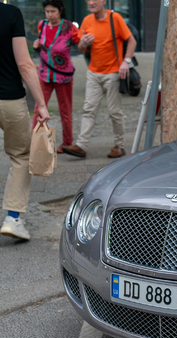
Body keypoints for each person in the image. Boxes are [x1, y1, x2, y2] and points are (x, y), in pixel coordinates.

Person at [1, 2, 51, 240]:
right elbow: (24, 64)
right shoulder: (11, 13)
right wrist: (41, 104)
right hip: (9, 99)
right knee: (21, 156)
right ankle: (12, 219)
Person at [63, 0, 136, 159]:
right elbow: (82, 49)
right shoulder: (87, 20)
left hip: (113, 73)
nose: (91, 2)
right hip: (93, 73)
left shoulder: (114, 18)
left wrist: (126, 61)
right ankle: (81, 146)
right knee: (88, 109)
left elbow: (132, 40)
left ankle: (119, 145)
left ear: (104, 1)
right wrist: (83, 43)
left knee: (115, 112)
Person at [32, 0, 80, 154]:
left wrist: (85, 41)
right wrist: (36, 45)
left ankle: (67, 142)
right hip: (44, 73)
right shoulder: (42, 25)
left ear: (60, 11)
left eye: (53, 11)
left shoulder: (69, 27)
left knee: (65, 110)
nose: (50, 15)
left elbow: (81, 44)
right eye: (47, 11)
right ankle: (34, 141)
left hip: (63, 76)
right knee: (38, 108)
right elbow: (41, 42)